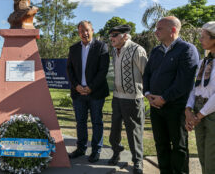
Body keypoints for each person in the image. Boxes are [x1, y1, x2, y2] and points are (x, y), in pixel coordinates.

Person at [143, 16, 199, 174]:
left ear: (173, 30)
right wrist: (148, 94)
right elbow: (147, 74)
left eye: (159, 28)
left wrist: (164, 98)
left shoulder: (187, 49)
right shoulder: (156, 50)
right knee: (161, 145)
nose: (155, 32)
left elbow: (184, 82)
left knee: (179, 146)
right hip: (155, 107)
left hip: (176, 108)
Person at [66, 20, 110, 162]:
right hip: (78, 93)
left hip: (96, 93)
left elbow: (103, 71)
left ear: (92, 30)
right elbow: (69, 69)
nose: (84, 33)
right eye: (81, 31)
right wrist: (76, 86)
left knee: (97, 122)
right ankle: (81, 148)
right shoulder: (73, 49)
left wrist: (90, 87)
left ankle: (96, 151)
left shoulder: (102, 47)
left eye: (87, 30)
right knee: (80, 122)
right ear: (78, 33)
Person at [108, 25, 148, 174]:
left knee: (134, 132)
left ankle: (138, 161)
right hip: (117, 97)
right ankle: (116, 152)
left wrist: (146, 94)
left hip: (133, 99)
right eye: (110, 35)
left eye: (115, 35)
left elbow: (146, 73)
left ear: (125, 36)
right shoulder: (113, 50)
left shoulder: (137, 50)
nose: (111, 38)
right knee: (114, 131)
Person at [185, 21, 215, 174]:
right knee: (202, 155)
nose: (200, 40)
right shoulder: (204, 62)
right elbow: (194, 88)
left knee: (212, 158)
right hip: (198, 111)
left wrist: (199, 115)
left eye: (203, 37)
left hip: (210, 114)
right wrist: (188, 110)